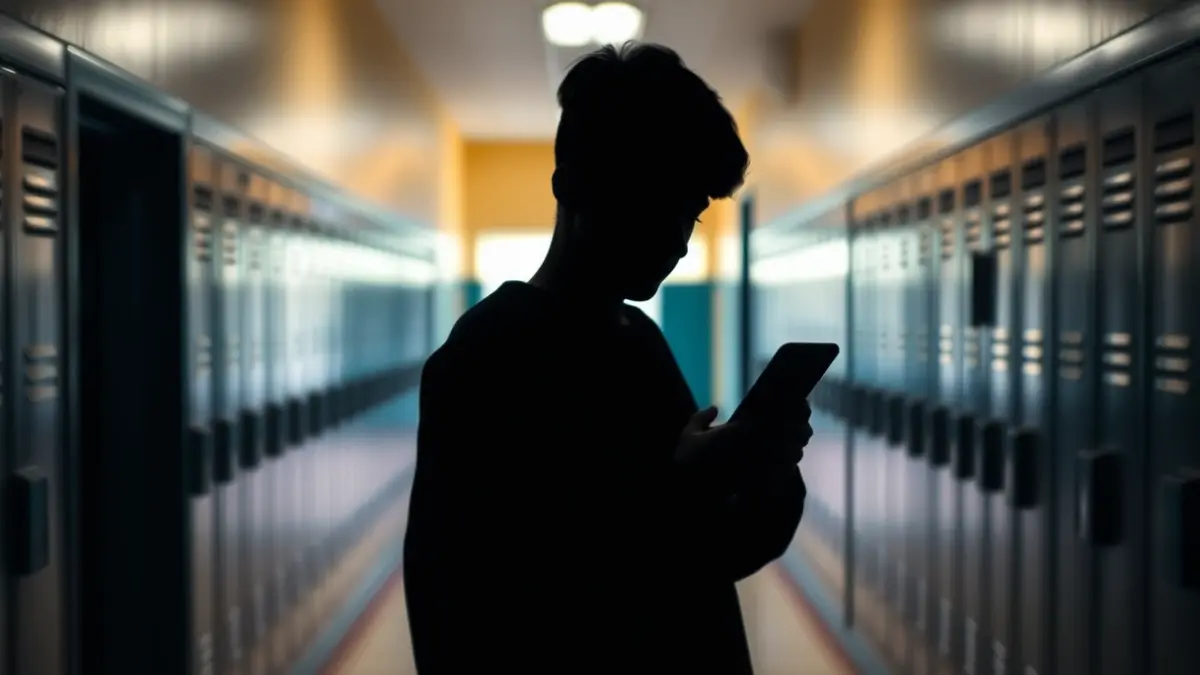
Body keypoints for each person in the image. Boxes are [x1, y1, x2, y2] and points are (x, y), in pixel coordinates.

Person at [403, 41, 811, 674]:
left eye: (692, 215)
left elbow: (712, 553)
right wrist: (682, 483)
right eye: (659, 206)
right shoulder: (485, 362)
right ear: (577, 188)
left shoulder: (636, 341)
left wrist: (766, 468)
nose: (678, 240)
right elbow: (476, 608)